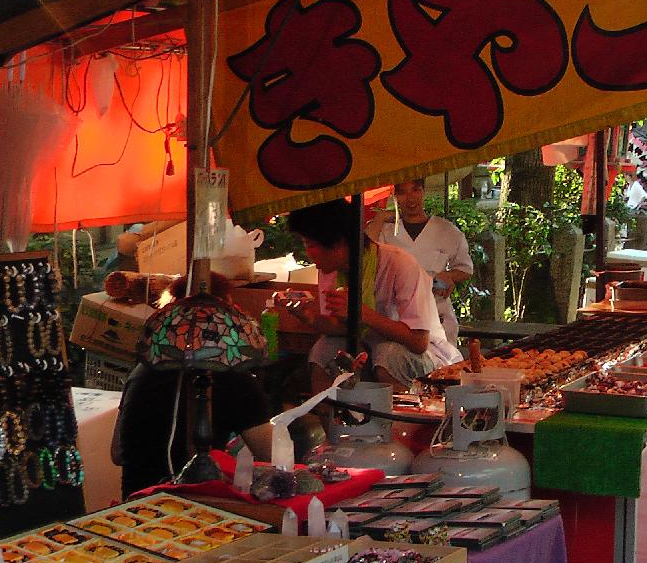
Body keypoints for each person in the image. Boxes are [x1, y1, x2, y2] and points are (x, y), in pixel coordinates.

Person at [112, 273, 276, 497]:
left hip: (134, 499)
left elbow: (118, 453)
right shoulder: (231, 376)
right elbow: (270, 453)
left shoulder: (143, 369)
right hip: (188, 502)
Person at [288, 198, 459, 391]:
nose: (307, 252)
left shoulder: (399, 264)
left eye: (310, 244)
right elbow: (341, 329)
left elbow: (418, 341)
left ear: (338, 243)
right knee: (323, 350)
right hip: (367, 352)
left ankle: (395, 420)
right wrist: (309, 317)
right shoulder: (331, 270)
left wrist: (362, 313)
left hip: (423, 358)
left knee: (388, 354)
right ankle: (334, 416)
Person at [370, 179, 473, 346]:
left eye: (416, 190)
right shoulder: (385, 231)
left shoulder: (447, 230)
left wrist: (447, 276)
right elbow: (364, 255)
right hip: (394, 317)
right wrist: (380, 218)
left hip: (437, 312)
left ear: (424, 191)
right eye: (402, 192)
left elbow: (465, 268)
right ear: (395, 197)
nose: (410, 198)